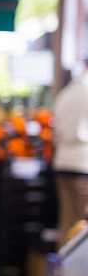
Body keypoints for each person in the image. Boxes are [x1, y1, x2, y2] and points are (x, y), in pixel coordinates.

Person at [52, 66, 88, 249]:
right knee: (83, 228)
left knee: (67, 223)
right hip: (83, 165)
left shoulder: (67, 93)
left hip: (62, 163)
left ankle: (61, 275)